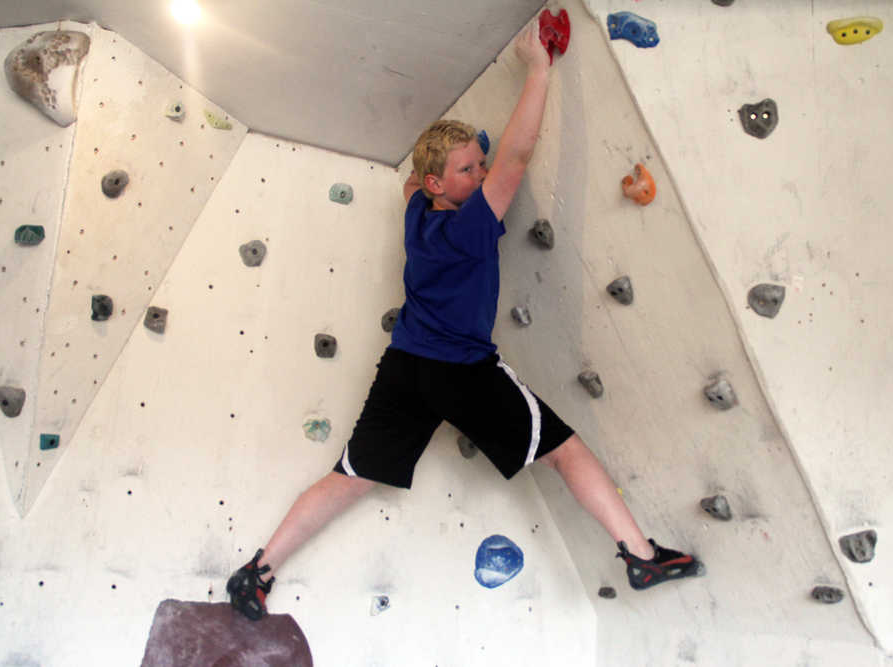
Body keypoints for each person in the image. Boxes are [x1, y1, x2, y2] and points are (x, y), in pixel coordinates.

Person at [226, 18, 701, 622]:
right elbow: (519, 155)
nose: (481, 176)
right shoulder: (472, 225)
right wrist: (538, 67)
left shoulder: (417, 215)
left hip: (404, 370)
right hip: (461, 371)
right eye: (469, 170)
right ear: (439, 185)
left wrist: (449, 161)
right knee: (564, 450)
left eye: (479, 166)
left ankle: (257, 570)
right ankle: (639, 554)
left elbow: (410, 184)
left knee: (350, 475)